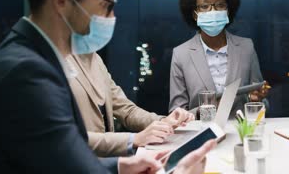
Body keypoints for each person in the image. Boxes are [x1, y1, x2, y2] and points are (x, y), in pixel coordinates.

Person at [0, 0, 214, 173]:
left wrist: (119, 166)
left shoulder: (33, 56)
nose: (113, 17)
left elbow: (61, 157)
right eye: (106, 5)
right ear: (62, 0)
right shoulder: (27, 73)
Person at [169, 0, 270, 114]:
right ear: (194, 13)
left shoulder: (246, 47)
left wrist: (257, 100)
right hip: (201, 134)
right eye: (204, 6)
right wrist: (204, 111)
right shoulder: (181, 54)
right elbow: (175, 113)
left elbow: (262, 104)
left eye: (219, 5)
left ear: (229, 9)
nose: (213, 11)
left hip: (240, 132)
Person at [66, 52, 194, 157]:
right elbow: (67, 136)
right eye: (105, 18)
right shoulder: (57, 61)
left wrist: (163, 121)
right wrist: (134, 139)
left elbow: (125, 109)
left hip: (105, 163)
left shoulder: (95, 59)